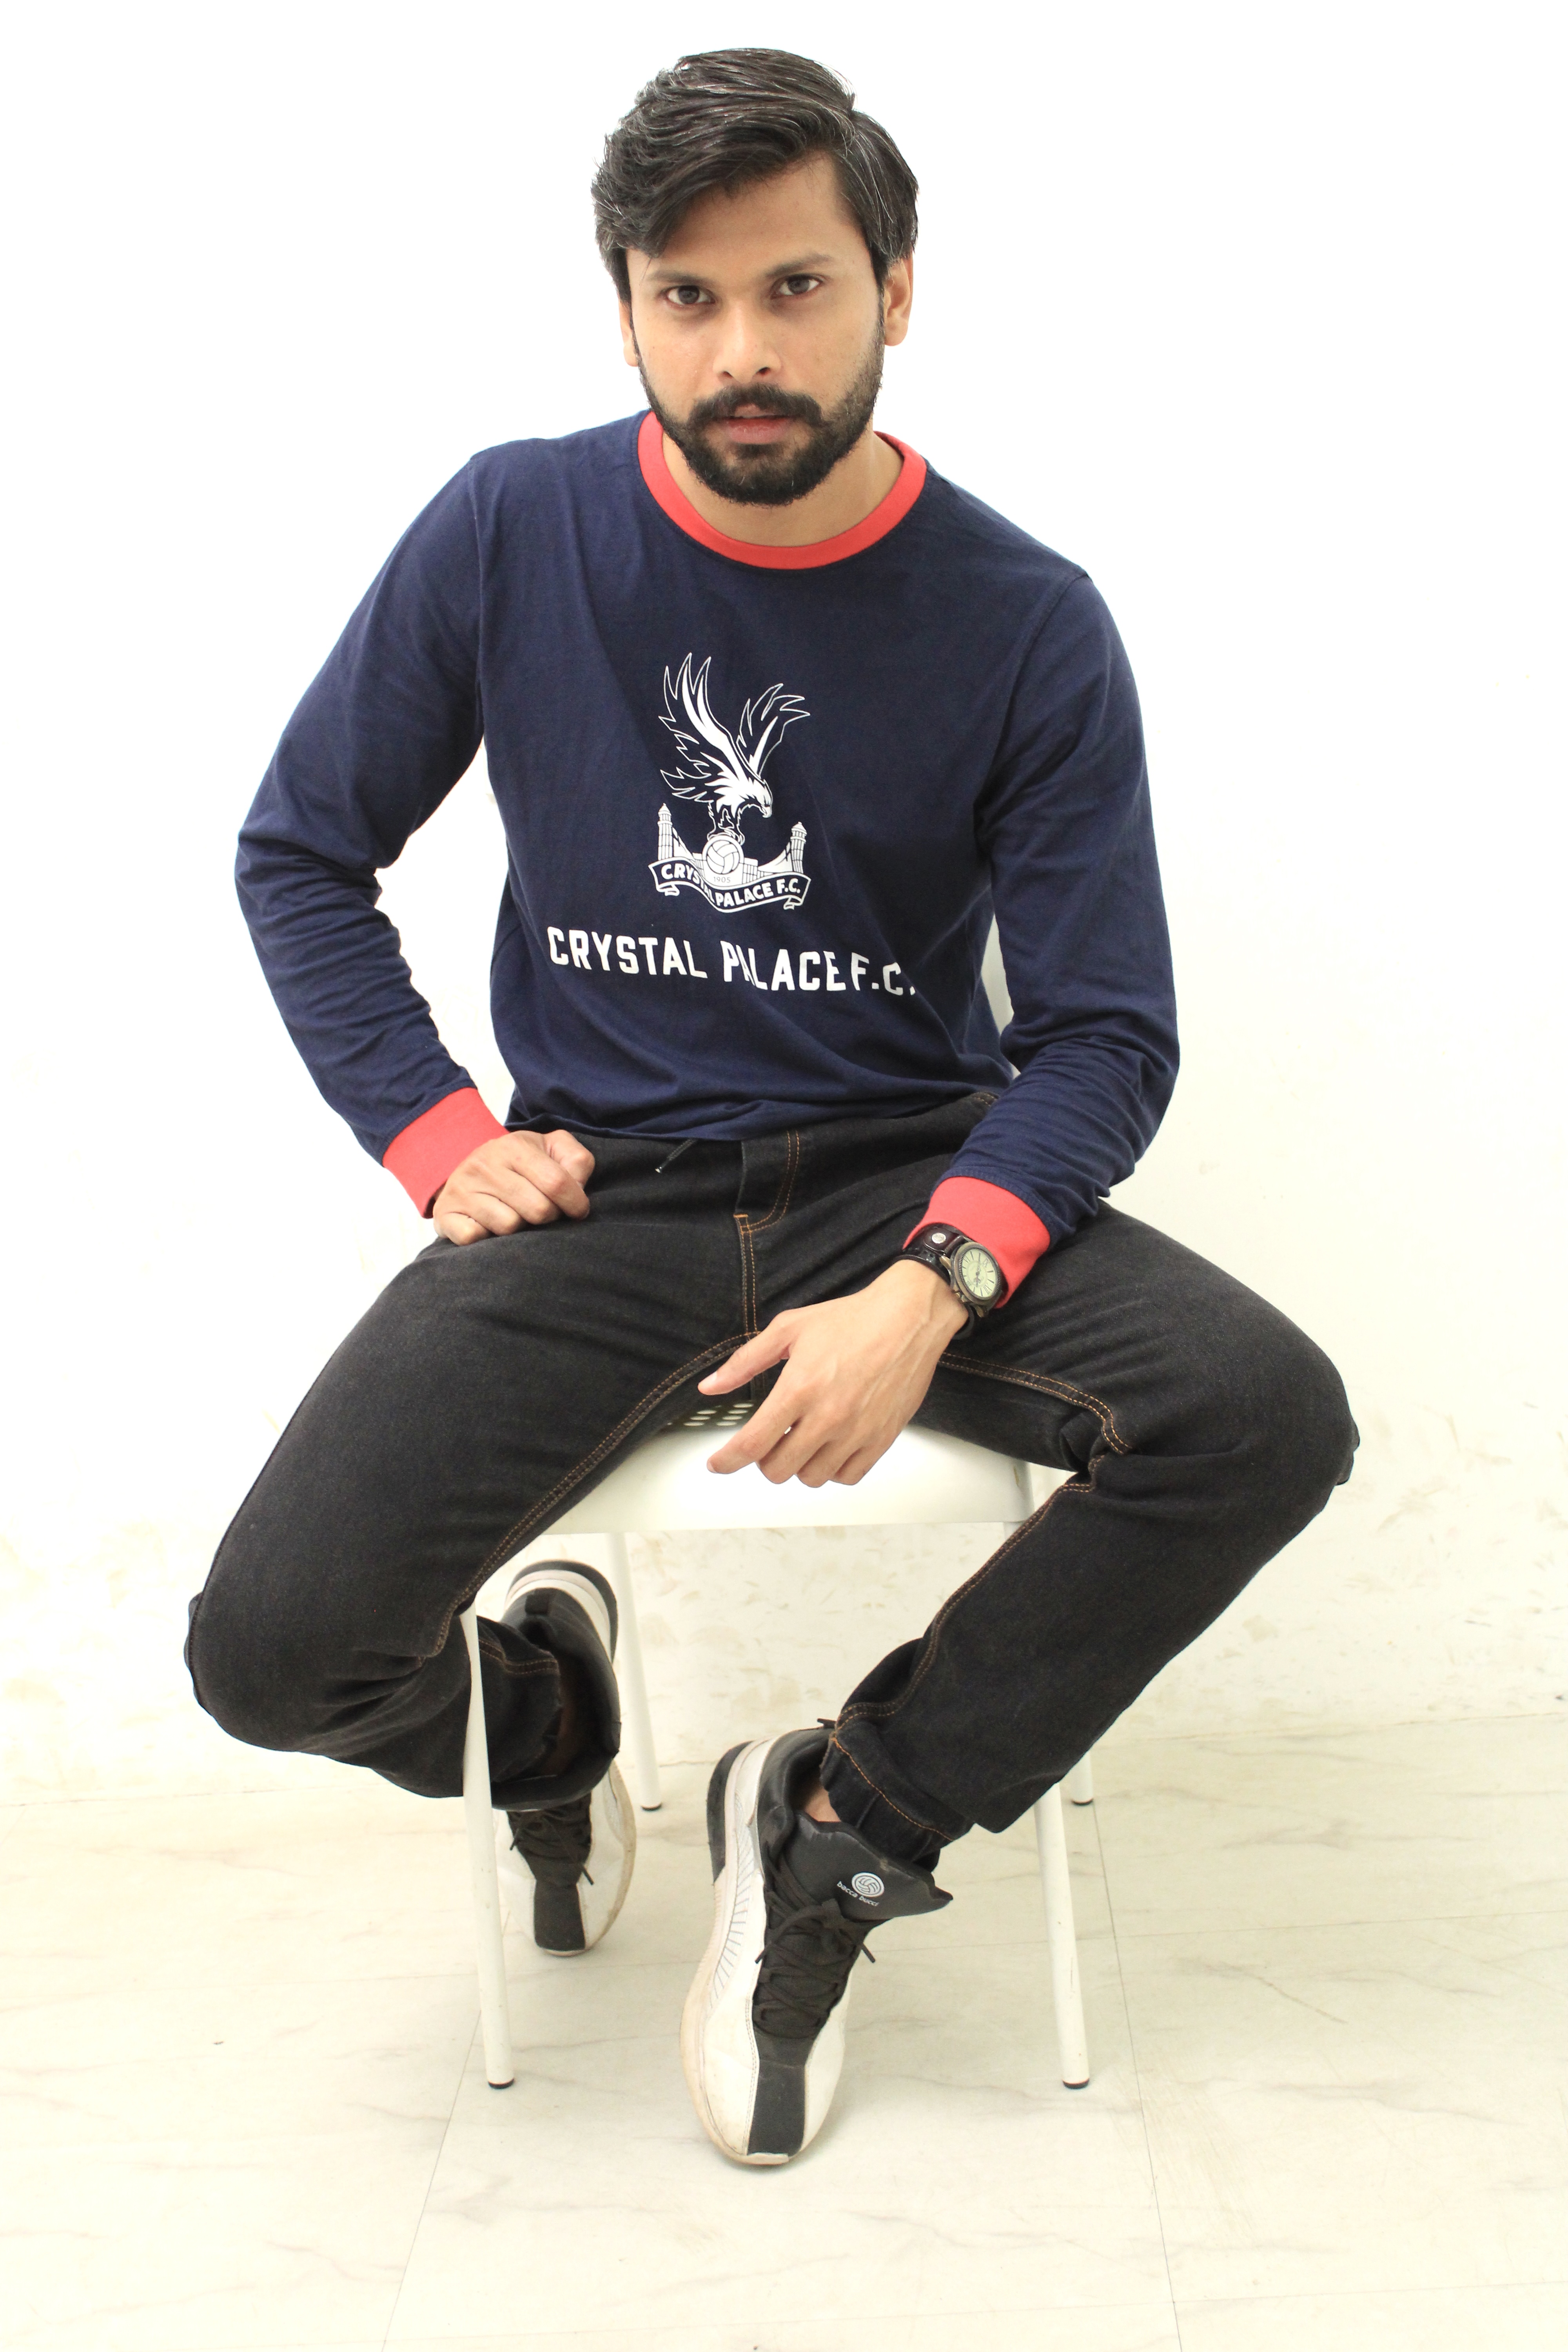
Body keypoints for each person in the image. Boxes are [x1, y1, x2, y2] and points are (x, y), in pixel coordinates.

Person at [187, 47, 1357, 2167]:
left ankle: (838, 1817)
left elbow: (1104, 1034)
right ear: (627, 309)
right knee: (272, 1657)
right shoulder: (509, 528)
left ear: (896, 289)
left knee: (1261, 1414)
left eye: (797, 287)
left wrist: (933, 1286)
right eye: (690, 296)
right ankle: (554, 1723)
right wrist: (438, 1139)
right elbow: (301, 853)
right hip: (605, 1199)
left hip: (904, 1175)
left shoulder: (1024, 621)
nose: (743, 349)